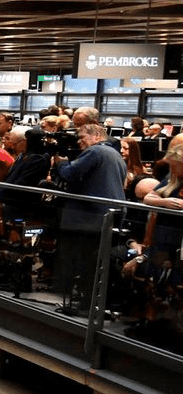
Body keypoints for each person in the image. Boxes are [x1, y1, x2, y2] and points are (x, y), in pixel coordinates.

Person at [52, 123, 126, 312]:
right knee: (95, 261)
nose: (79, 141)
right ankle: (91, 302)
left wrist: (60, 161)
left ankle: (87, 304)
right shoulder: (114, 154)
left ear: (97, 136)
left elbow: (70, 173)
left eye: (82, 137)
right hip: (108, 214)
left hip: (90, 217)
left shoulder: (95, 152)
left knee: (86, 261)